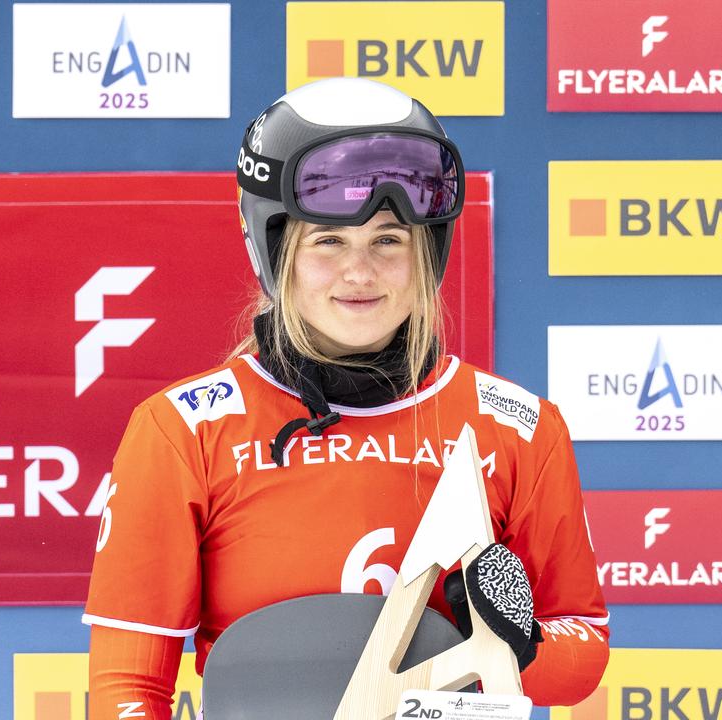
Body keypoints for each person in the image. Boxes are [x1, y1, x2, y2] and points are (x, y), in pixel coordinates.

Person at [83, 77, 609, 718]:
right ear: (274, 250)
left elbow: (581, 658)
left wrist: (516, 647)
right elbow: (127, 691)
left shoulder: (521, 428)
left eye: (388, 241)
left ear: (428, 253)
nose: (360, 273)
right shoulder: (184, 432)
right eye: (327, 242)